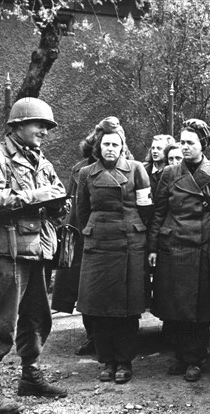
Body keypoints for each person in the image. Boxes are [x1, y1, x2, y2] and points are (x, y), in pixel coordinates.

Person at [0, 97, 68, 414]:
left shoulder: (42, 161)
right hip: (6, 251)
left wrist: (57, 204)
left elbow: (57, 200)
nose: (44, 130)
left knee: (37, 317)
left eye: (47, 126)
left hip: (38, 249)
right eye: (38, 124)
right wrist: (36, 196)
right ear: (17, 125)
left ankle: (30, 376)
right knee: (0, 320)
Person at [148, 119, 210, 383]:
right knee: (175, 305)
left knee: (200, 308)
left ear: (203, 144)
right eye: (182, 142)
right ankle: (180, 355)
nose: (184, 147)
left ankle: (195, 358)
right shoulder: (170, 173)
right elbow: (159, 212)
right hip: (174, 245)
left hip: (201, 247)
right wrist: (153, 247)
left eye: (190, 143)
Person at [76, 119, 153, 384]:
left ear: (123, 147)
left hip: (129, 244)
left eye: (115, 144)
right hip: (98, 244)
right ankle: (106, 361)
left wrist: (135, 231)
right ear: (99, 146)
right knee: (99, 307)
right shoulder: (86, 174)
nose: (111, 148)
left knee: (127, 307)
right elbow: (81, 212)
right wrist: (92, 232)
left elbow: (146, 209)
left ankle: (125, 360)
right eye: (106, 144)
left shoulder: (137, 169)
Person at [51, 118, 119, 356]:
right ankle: (92, 336)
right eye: (101, 141)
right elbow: (71, 201)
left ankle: (116, 338)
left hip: (111, 234)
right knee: (83, 287)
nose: (106, 147)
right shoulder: (80, 169)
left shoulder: (125, 167)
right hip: (80, 233)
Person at [145, 134, 175, 199]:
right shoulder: (143, 169)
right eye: (153, 148)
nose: (154, 151)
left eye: (159, 148)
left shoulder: (173, 170)